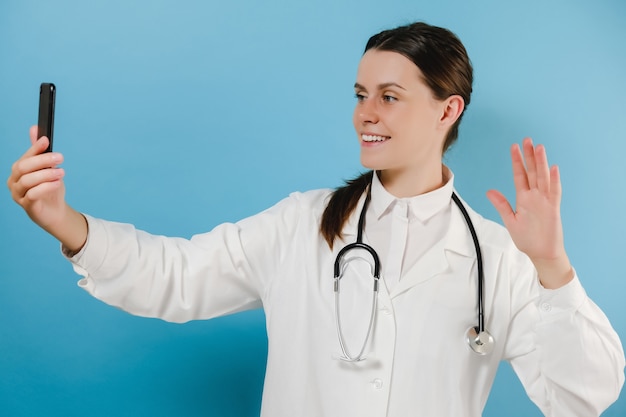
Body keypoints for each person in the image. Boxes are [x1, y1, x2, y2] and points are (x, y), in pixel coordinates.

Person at [7, 21, 625, 417]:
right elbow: (176, 275)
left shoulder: (501, 257)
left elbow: (582, 396)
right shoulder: (302, 225)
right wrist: (66, 221)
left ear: (447, 111)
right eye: (360, 95)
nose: (365, 115)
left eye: (389, 96)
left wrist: (552, 267)